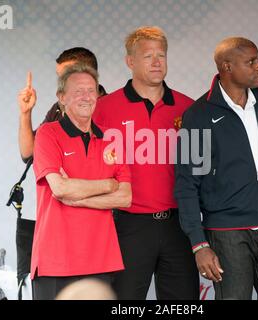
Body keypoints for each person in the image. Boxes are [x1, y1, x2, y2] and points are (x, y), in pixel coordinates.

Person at [174, 37, 258, 300]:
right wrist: (199, 244)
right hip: (227, 235)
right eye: (251, 62)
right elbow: (187, 184)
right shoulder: (197, 115)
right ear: (227, 67)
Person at [93, 26, 199, 300]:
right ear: (130, 62)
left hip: (179, 226)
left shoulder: (189, 108)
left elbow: (203, 171)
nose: (156, 62)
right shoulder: (103, 108)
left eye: (161, 55)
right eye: (147, 56)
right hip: (127, 225)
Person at [29, 63, 131, 300]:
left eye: (91, 90)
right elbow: (60, 188)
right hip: (55, 260)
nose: (86, 97)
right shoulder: (48, 133)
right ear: (62, 98)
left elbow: (125, 197)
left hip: (101, 260)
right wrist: (107, 185)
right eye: (78, 91)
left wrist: (76, 198)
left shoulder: (111, 138)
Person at [18, 47, 106, 163]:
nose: (61, 83)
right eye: (59, 77)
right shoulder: (58, 109)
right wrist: (25, 112)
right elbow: (29, 154)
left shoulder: (111, 109)